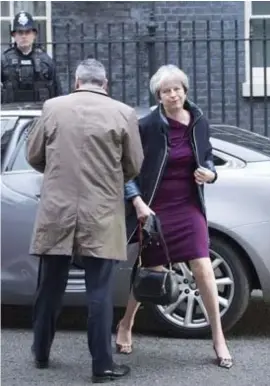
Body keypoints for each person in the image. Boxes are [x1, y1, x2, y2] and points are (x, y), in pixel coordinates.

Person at [26, 58, 144, 383]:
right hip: (102, 212)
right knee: (100, 291)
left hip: (57, 210)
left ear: (77, 81)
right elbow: (133, 165)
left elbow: (33, 155)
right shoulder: (123, 113)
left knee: (49, 286)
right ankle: (102, 366)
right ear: (105, 84)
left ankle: (41, 352)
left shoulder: (52, 107)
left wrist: (58, 173)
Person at [115, 64, 233, 369]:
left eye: (177, 88)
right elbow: (127, 169)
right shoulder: (147, 126)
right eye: (166, 91)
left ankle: (218, 337)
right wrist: (138, 203)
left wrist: (211, 173)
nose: (172, 94)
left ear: (185, 90)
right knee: (151, 272)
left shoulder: (199, 121)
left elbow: (207, 156)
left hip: (188, 204)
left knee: (203, 267)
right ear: (158, 95)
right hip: (157, 206)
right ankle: (126, 323)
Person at [1, 11, 62, 103]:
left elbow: (57, 92)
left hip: (40, 113)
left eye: (28, 32)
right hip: (11, 113)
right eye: (20, 32)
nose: (24, 36)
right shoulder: (3, 61)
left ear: (34, 34)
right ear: (14, 35)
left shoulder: (46, 61)